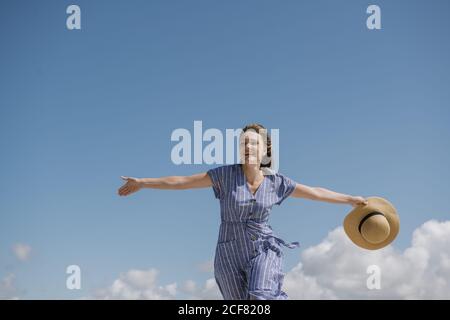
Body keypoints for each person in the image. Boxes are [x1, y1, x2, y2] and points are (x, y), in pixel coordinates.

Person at [117, 123, 368, 300]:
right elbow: (181, 181)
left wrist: (350, 200)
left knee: (261, 297)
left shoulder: (277, 183)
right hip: (228, 250)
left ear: (265, 151)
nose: (247, 146)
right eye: (243, 143)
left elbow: (315, 192)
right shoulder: (224, 176)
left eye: (252, 142)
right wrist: (143, 182)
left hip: (262, 248)